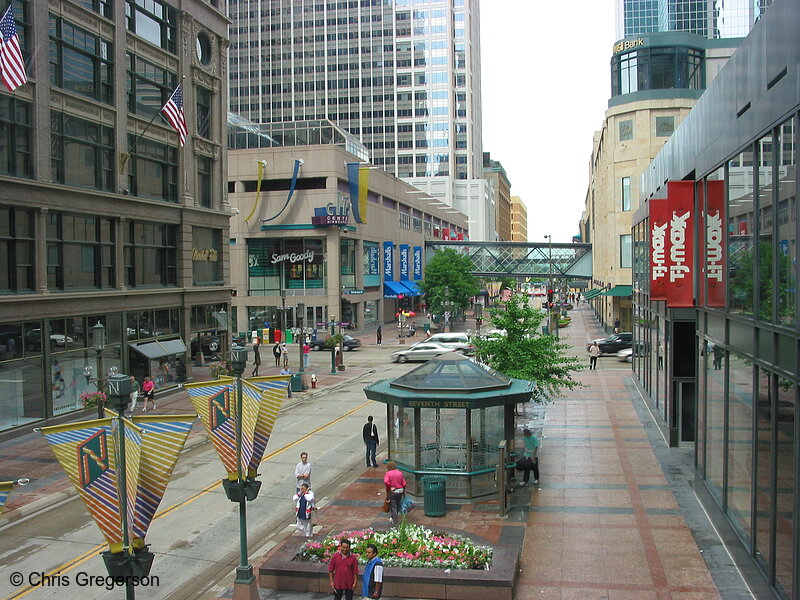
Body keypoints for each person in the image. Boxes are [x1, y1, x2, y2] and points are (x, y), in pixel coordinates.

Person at [383, 461, 406, 526]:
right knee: (398, 504)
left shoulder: (388, 473)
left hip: (393, 492)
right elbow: (404, 483)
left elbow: (386, 481)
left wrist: (390, 486)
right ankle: (394, 517)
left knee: (393, 507)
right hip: (400, 491)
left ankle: (395, 522)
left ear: (388, 467)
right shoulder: (399, 473)